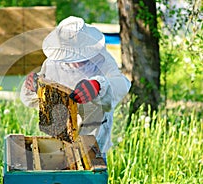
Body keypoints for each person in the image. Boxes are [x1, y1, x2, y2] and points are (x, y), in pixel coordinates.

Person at [21, 16, 131, 164]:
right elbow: (34, 97)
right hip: (59, 134)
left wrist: (99, 86)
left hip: (93, 135)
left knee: (91, 175)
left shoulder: (102, 59)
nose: (76, 60)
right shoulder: (52, 63)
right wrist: (33, 87)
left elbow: (122, 84)